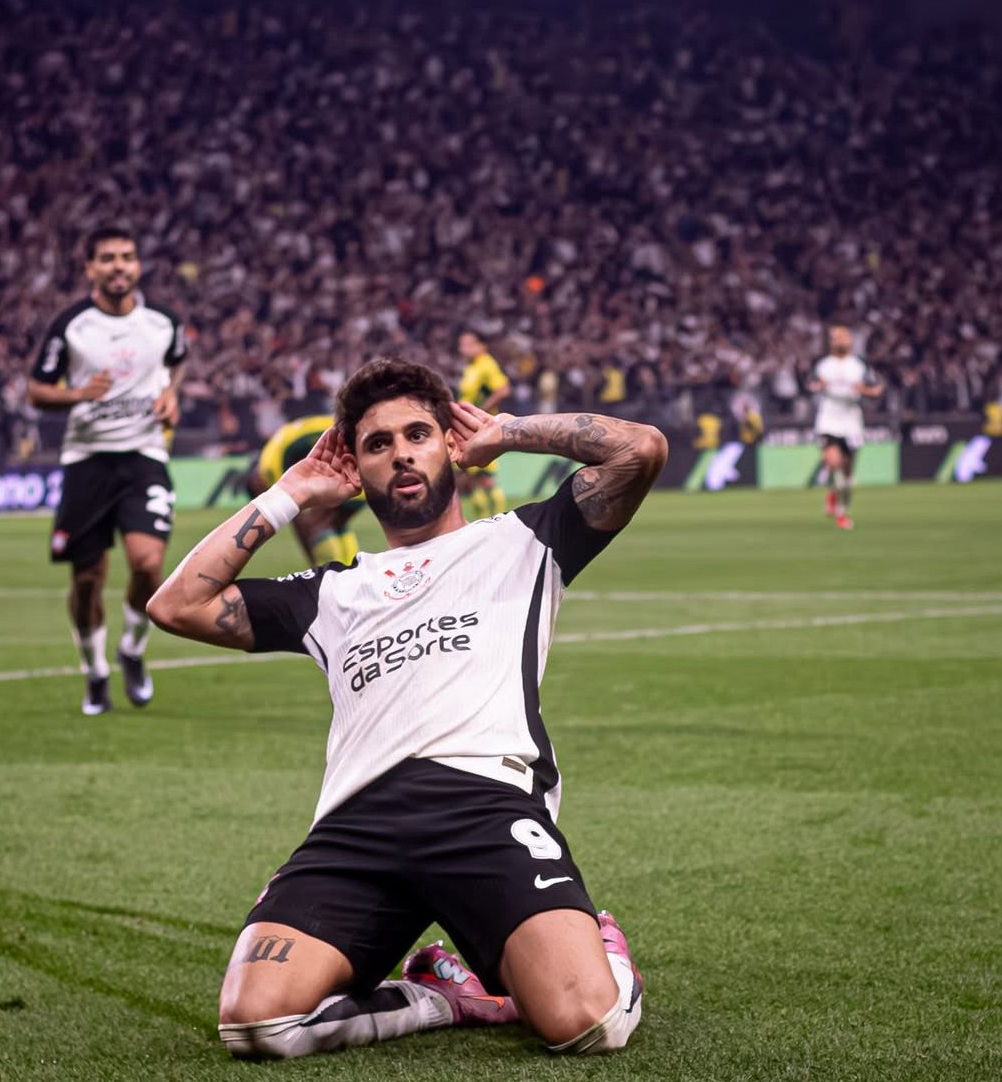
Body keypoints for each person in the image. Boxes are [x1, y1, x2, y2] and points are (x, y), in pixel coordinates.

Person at [147, 359, 667, 1059]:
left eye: (418, 433)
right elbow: (175, 605)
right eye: (378, 443)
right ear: (356, 470)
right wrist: (290, 492)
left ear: (449, 441)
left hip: (483, 811)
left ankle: (601, 948)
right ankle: (439, 997)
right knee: (254, 1023)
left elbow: (641, 449)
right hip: (356, 827)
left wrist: (506, 431)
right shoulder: (329, 593)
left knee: (588, 1021)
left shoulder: (526, 540)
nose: (401, 453)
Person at [28, 225, 188, 715]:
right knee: (86, 580)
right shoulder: (72, 325)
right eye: (108, 258)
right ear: (90, 268)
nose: (119, 265)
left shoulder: (162, 322)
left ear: (138, 265)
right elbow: (37, 389)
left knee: (147, 565)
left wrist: (171, 392)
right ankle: (94, 670)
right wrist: (76, 394)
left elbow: (176, 362)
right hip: (87, 462)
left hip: (143, 458)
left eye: (127, 256)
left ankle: (132, 651)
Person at [248, 414, 363, 566]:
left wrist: (312, 561)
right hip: (362, 464)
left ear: (257, 481)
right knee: (336, 523)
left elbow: (299, 522)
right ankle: (351, 569)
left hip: (357, 470)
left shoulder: (270, 467)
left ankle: (329, 572)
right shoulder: (275, 448)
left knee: (316, 523)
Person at [808, 326, 883, 530]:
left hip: (851, 421)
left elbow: (876, 388)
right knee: (833, 462)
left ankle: (842, 511)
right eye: (836, 338)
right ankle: (832, 494)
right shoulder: (824, 365)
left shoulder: (859, 365)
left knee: (848, 474)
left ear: (850, 342)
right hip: (829, 419)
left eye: (843, 338)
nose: (839, 341)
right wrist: (817, 387)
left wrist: (867, 391)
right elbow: (813, 384)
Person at [457, 330, 511, 518]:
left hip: (480, 429)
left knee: (484, 479)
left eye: (468, 344)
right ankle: (485, 521)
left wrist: (481, 410)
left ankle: (498, 518)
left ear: (481, 346)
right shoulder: (471, 367)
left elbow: (503, 390)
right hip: (468, 430)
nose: (463, 349)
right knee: (473, 479)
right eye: (462, 345)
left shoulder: (486, 365)